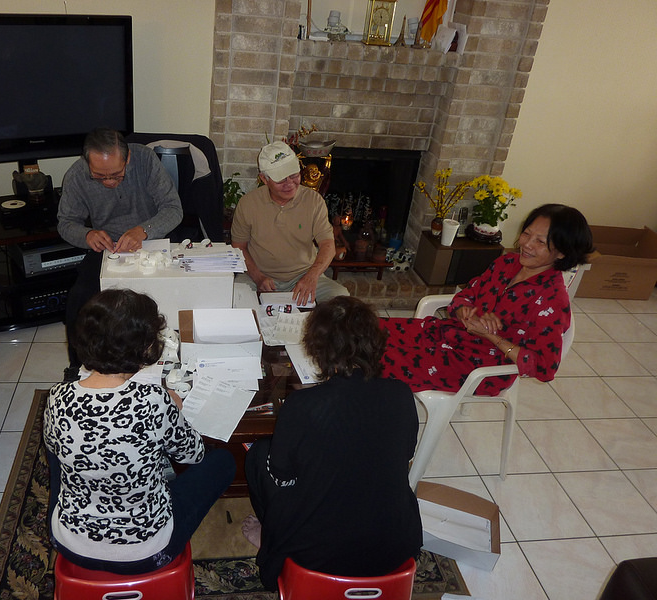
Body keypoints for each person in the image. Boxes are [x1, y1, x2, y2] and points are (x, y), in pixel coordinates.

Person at [43, 289, 235, 574]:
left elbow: (53, 446)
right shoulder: (152, 400)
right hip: (147, 551)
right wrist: (173, 409)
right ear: (145, 348)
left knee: (57, 451)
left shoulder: (57, 396)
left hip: (70, 542)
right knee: (223, 461)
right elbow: (193, 455)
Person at [242, 296, 422, 591]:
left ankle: (270, 536)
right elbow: (406, 452)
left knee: (259, 455)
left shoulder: (303, 404)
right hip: (396, 546)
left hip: (316, 554)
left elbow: (281, 475)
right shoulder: (401, 393)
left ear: (318, 349)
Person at [381, 203, 594, 395]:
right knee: (369, 330)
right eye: (526, 234)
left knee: (378, 360)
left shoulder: (552, 300)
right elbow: (465, 296)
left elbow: (544, 368)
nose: (527, 244)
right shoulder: (507, 263)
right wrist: (464, 312)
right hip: (448, 334)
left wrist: (492, 337)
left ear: (562, 253)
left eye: (540, 241)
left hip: (479, 367)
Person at [58, 127, 183, 382]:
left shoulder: (145, 160)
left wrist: (144, 230)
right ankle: (77, 368)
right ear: (87, 162)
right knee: (79, 299)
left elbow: (173, 209)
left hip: (151, 241)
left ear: (127, 159)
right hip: (108, 247)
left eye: (116, 175)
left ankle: (169, 360)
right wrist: (87, 235)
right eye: (99, 176)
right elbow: (66, 223)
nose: (108, 182)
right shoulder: (76, 175)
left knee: (174, 295)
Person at [230, 141, 348, 306]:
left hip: (304, 274)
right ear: (264, 178)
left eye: (294, 175)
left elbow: (328, 245)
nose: (290, 183)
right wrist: (258, 277)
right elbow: (238, 247)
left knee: (342, 299)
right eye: (281, 179)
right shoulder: (248, 203)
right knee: (233, 298)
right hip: (258, 275)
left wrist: (311, 277)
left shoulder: (314, 201)